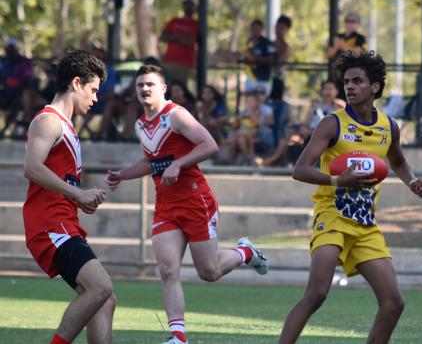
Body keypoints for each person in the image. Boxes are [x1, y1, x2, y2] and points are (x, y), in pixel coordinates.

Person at [103, 64, 268, 344]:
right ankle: (178, 335)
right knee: (168, 270)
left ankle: (246, 253)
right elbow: (151, 161)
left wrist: (179, 163)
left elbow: (210, 144)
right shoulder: (141, 124)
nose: (144, 89)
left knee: (209, 272)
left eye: (150, 84)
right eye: (140, 84)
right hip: (166, 205)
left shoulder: (176, 115)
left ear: (163, 88)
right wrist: (123, 174)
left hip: (195, 200)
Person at [278, 50, 422, 344]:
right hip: (332, 217)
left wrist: (412, 182)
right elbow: (300, 170)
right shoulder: (331, 124)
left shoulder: (389, 127)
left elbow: (397, 162)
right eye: (347, 81)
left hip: (364, 224)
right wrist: (338, 180)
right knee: (317, 293)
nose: (350, 86)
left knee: (394, 302)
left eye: (358, 81)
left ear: (375, 87)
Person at [22, 49, 114, 344]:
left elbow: (58, 179)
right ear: (76, 83)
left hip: (63, 222)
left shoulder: (68, 127)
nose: (96, 98)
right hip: (49, 225)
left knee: (104, 299)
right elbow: (32, 168)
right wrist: (77, 192)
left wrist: (79, 199)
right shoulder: (48, 121)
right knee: (100, 288)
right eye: (93, 89)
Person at [226, 88, 274, 165]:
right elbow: (236, 124)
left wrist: (250, 112)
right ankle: (232, 163)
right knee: (235, 140)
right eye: (248, 102)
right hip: (243, 134)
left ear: (257, 102)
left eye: (251, 102)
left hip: (254, 134)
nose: (249, 104)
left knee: (236, 136)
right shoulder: (244, 112)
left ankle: (248, 161)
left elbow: (257, 123)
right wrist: (238, 119)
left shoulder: (258, 111)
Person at [0, 38, 37, 138]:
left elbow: (29, 80)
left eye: (12, 49)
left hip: (19, 93)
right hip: (5, 92)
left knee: (17, 103)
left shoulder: (24, 63)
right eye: (9, 49)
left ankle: (6, 129)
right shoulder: (3, 62)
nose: (10, 51)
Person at [159, 0, 199, 86]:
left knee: (180, 88)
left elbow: (189, 42)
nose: (188, 7)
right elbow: (162, 37)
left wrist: (173, 36)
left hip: (184, 63)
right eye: (186, 4)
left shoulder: (195, 24)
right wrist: (179, 37)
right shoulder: (174, 21)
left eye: (191, 5)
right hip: (168, 61)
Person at [326, 12, 366, 100]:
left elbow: (357, 52)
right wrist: (338, 46)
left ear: (358, 24)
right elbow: (330, 54)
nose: (349, 23)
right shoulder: (338, 36)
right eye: (347, 21)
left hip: (352, 74)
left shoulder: (360, 38)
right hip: (337, 74)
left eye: (353, 21)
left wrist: (341, 44)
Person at [243, 19, 277, 96]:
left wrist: (255, 58)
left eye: (257, 29)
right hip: (251, 77)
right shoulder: (249, 42)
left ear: (261, 30)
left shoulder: (267, 43)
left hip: (264, 79)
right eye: (253, 29)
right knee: (250, 103)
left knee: (261, 102)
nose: (255, 31)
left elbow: (271, 59)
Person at [270, 14, 292, 99]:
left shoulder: (286, 47)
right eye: (277, 26)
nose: (278, 30)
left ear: (286, 30)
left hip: (277, 81)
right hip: (264, 80)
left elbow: (276, 64)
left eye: (281, 28)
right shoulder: (270, 44)